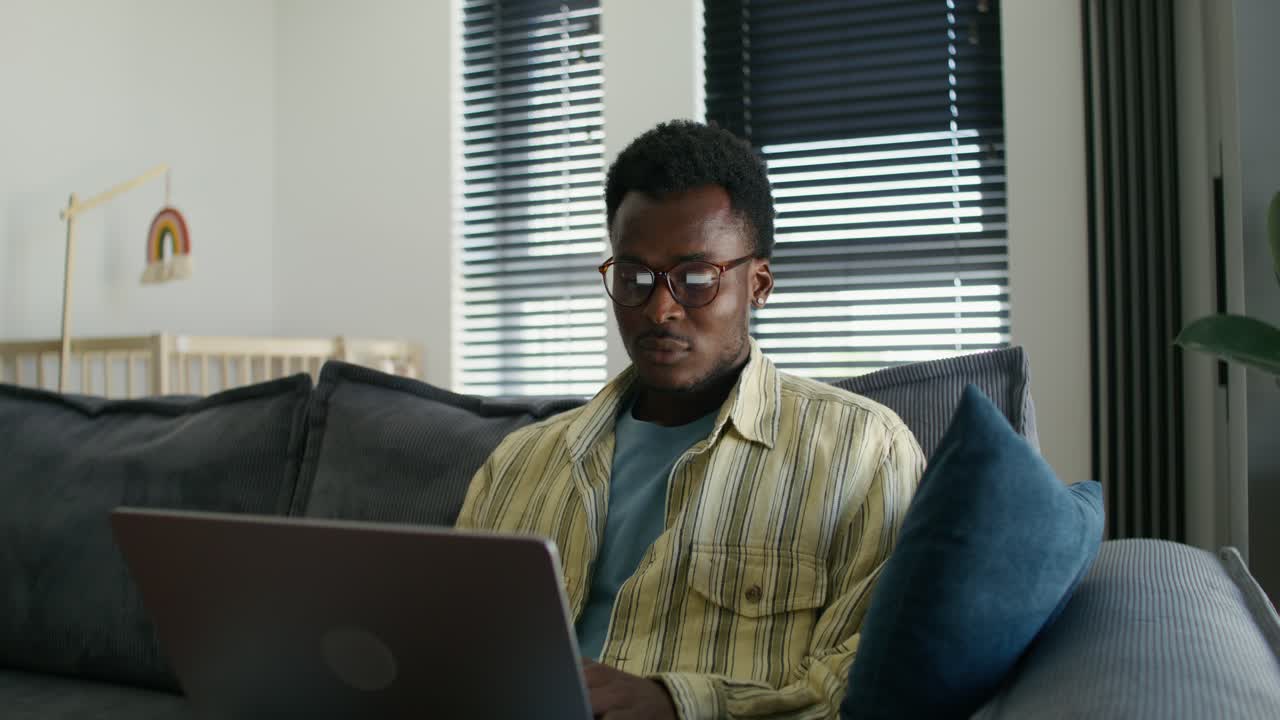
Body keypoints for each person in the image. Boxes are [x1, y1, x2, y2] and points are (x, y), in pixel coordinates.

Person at [456, 120, 925, 719]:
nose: (661, 308)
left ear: (758, 283)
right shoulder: (518, 464)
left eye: (697, 278)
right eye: (634, 277)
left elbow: (865, 689)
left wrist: (679, 707)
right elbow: (455, 654)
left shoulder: (863, 452)